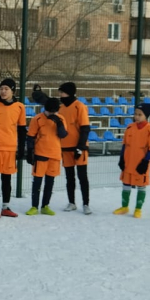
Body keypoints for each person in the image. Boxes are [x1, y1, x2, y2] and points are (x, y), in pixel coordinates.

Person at [0, 78, 27, 218]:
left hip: (10, 148)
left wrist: (21, 149)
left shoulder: (20, 107)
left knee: (7, 179)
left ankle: (5, 207)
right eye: (1, 88)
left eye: (6, 89)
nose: (3, 91)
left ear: (13, 91)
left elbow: (21, 130)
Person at [25, 98, 67, 216]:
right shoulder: (37, 119)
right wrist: (29, 153)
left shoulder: (61, 119)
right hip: (40, 154)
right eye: (49, 112)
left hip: (55, 155)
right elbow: (30, 137)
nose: (51, 114)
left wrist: (58, 123)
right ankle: (34, 206)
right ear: (45, 109)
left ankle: (45, 206)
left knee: (50, 182)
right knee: (37, 182)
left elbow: (63, 135)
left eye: (54, 112)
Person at [114, 103, 150, 219]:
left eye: (140, 114)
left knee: (141, 186)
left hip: (140, 163)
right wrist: (121, 159)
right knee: (126, 184)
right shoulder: (129, 127)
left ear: (146, 116)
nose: (137, 116)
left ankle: (138, 209)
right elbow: (124, 145)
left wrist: (145, 162)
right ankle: (124, 207)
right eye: (135, 114)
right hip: (128, 162)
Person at [57, 82, 92, 214]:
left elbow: (85, 128)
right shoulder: (61, 108)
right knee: (69, 177)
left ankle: (86, 204)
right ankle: (72, 202)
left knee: (82, 176)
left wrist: (81, 146)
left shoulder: (80, 106)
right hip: (65, 147)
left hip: (79, 147)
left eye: (62, 92)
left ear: (69, 93)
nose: (60, 95)